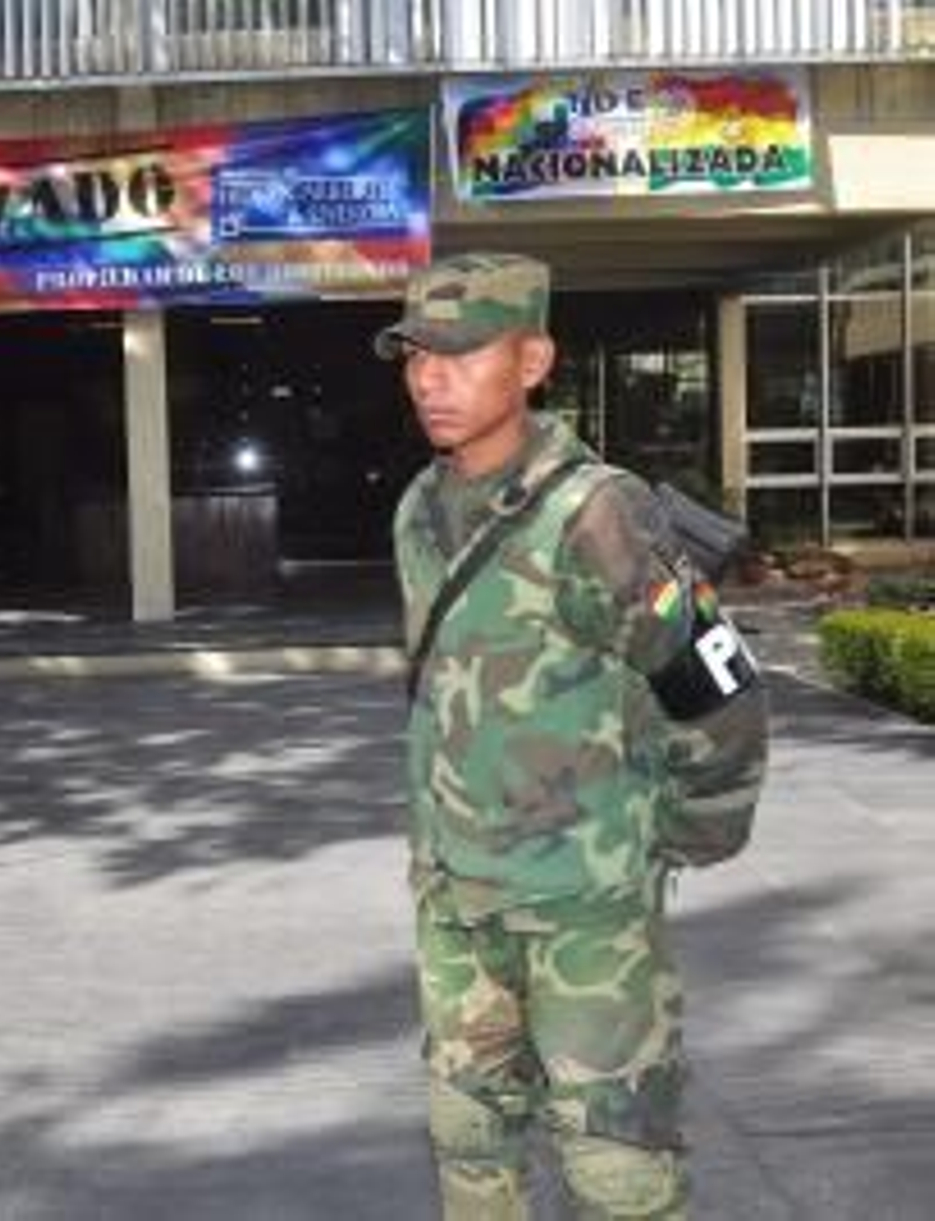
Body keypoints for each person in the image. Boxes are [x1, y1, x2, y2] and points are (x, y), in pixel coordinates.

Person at [375, 252, 769, 1219]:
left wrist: (686, 828)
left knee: (615, 1162)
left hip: (585, 905)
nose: (431, 376)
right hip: (456, 896)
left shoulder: (597, 513)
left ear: (535, 357)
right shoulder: (420, 510)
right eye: (416, 353)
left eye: (463, 352)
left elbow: (718, 685)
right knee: (468, 1139)